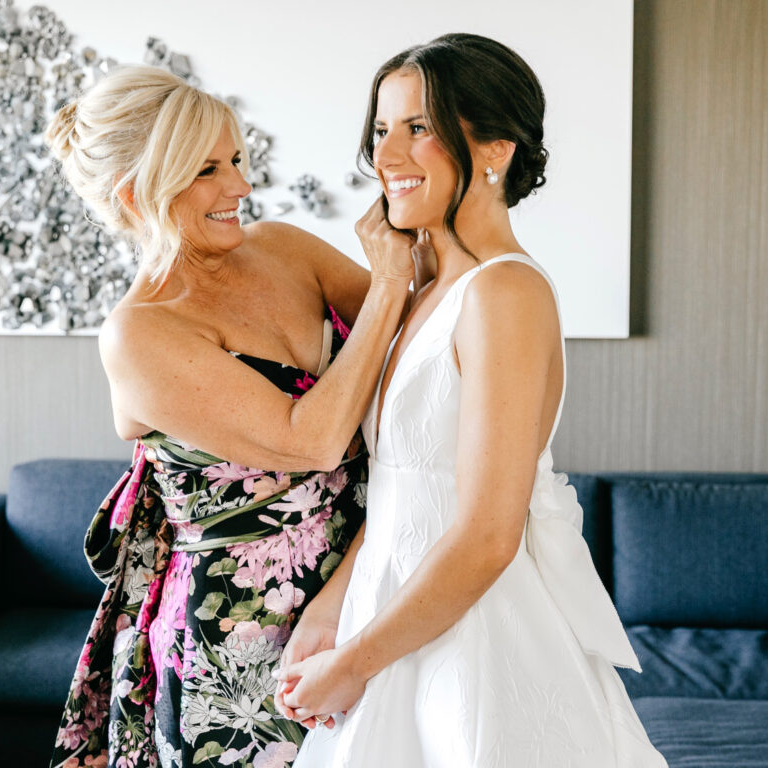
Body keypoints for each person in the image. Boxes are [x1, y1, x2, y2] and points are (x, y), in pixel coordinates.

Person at [273, 34, 668, 767]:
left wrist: (355, 662)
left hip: (475, 642)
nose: (385, 157)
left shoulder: (505, 292)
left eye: (417, 128)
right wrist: (333, 611)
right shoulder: (425, 292)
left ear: (495, 148)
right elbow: (406, 489)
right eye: (382, 130)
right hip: (391, 620)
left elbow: (488, 534)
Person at [43, 65, 418, 768]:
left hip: (371, 588)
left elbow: (418, 333)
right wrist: (392, 280)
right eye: (208, 169)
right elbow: (313, 440)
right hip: (239, 647)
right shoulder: (140, 334)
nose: (241, 186)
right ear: (136, 192)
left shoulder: (284, 249)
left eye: (238, 160)